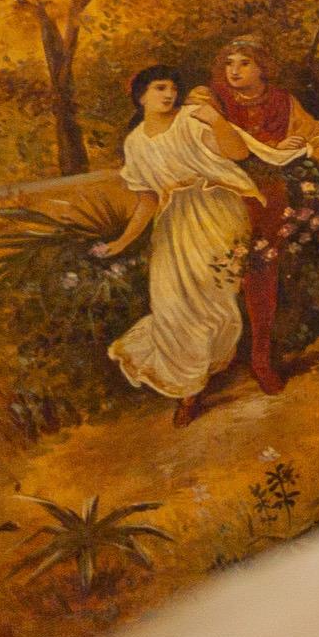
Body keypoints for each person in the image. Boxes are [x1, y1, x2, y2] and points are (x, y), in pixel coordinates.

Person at [92, 67, 258, 426]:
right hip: (173, 222)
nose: (168, 94)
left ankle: (196, 385)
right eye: (159, 88)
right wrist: (121, 242)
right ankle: (189, 388)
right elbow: (148, 201)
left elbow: (237, 152)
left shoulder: (190, 120)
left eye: (172, 88)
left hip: (215, 212)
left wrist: (216, 121)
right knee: (171, 304)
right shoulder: (135, 143)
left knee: (210, 301)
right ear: (141, 96)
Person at [187, 37, 319, 398]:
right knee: (209, 279)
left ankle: (260, 359)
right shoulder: (210, 97)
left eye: (244, 63)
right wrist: (271, 146)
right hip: (221, 197)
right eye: (229, 63)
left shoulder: (284, 102)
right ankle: (199, 374)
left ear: (263, 68)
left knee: (260, 277)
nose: (234, 71)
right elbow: (199, 132)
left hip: (266, 197)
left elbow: (315, 136)